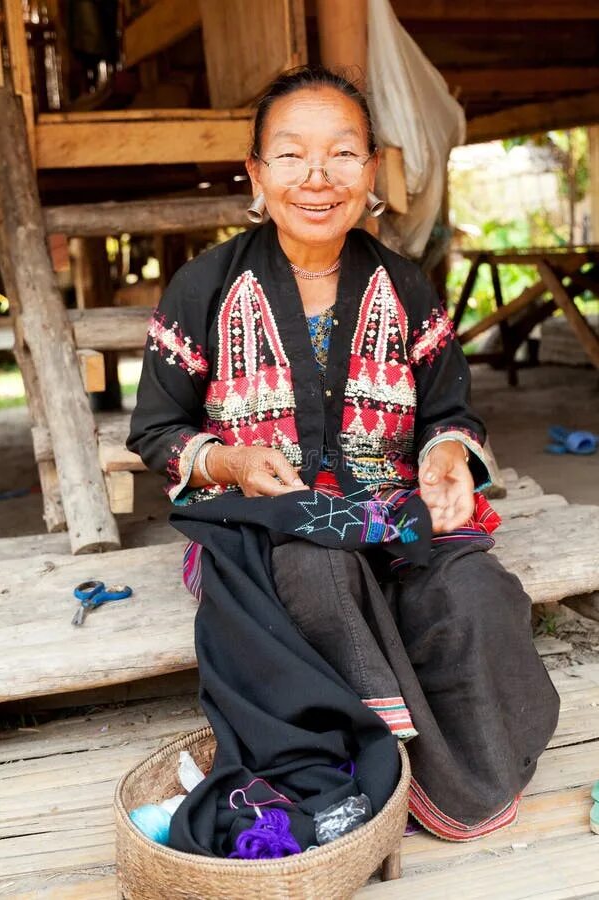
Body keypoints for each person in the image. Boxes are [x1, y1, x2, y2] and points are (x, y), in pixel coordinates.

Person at [127, 66, 559, 847]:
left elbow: (449, 412)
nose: (317, 178)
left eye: (342, 155)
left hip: (391, 518)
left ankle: (463, 781)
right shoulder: (202, 287)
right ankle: (364, 763)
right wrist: (228, 463)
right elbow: (158, 431)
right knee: (315, 571)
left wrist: (448, 459)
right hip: (265, 530)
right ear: (256, 173)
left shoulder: (406, 287)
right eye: (291, 156)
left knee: (477, 591)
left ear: (372, 171)